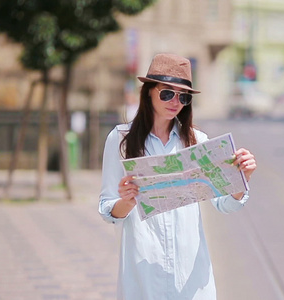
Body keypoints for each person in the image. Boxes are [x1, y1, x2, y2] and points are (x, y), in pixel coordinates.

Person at [99, 53, 257, 300]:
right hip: (143, 272)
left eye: (183, 96)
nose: (175, 102)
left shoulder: (198, 142)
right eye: (167, 93)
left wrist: (241, 179)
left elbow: (224, 204)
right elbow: (107, 209)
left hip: (191, 277)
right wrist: (127, 202)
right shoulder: (120, 139)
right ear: (149, 91)